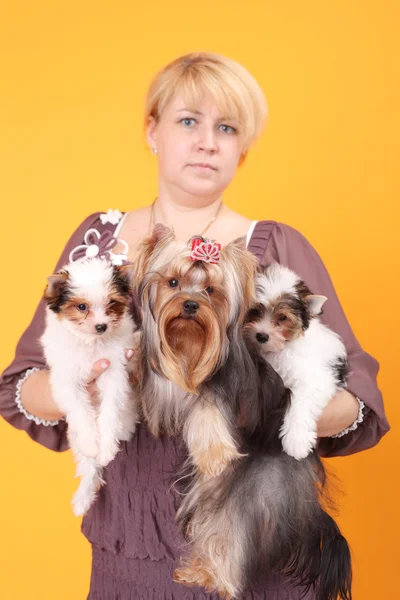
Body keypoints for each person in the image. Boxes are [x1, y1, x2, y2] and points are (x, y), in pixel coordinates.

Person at [0, 52, 390, 599]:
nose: (208, 141)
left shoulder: (276, 249)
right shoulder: (100, 243)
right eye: (189, 121)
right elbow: (25, 388)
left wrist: (266, 395)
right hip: (132, 546)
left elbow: (356, 407)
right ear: (153, 132)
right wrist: (82, 386)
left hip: (255, 545)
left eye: (226, 128)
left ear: (242, 149)